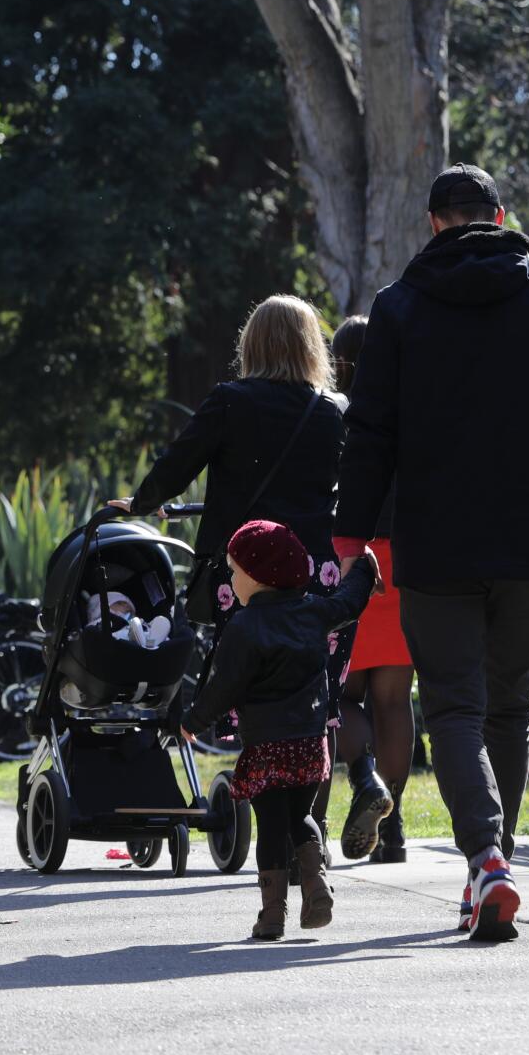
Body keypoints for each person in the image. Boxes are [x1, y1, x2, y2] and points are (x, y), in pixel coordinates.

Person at [334, 163, 529, 943]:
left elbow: (369, 432)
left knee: (454, 708)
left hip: (434, 544)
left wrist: (350, 537)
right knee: (508, 707)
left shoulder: (399, 309)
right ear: (499, 216)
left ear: (435, 224)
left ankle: (486, 860)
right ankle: (491, 865)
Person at [116, 295, 383, 846]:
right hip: (318, 573)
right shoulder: (334, 410)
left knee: (255, 693)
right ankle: (312, 829)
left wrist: (142, 502)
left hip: (247, 573)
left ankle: (280, 838)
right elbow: (360, 487)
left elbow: (179, 463)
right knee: (321, 704)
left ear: (251, 344)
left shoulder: (230, 402)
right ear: (313, 347)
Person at [183, 521, 378, 940]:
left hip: (266, 748)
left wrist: (190, 722)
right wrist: (364, 569)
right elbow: (349, 602)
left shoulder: (243, 627)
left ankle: (273, 916)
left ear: (258, 577)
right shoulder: (313, 611)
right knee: (302, 816)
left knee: (271, 827)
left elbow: (224, 686)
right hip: (309, 745)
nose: (232, 581)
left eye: (235, 572)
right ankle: (318, 885)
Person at [329, 316, 414, 863]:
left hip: (352, 556)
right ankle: (394, 827)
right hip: (405, 562)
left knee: (339, 697)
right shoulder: (411, 411)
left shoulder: (337, 414)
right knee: (394, 700)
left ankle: (366, 781)